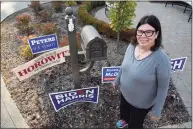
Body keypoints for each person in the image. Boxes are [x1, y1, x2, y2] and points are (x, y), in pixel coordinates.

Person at [113, 15, 171, 128]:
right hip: (124, 93)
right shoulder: (131, 46)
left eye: (149, 32)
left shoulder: (162, 59)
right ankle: (124, 120)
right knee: (124, 111)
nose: (143, 36)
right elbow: (123, 66)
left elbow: (163, 88)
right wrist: (117, 80)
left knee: (135, 123)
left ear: (157, 34)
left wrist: (157, 110)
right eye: (140, 32)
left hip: (140, 104)